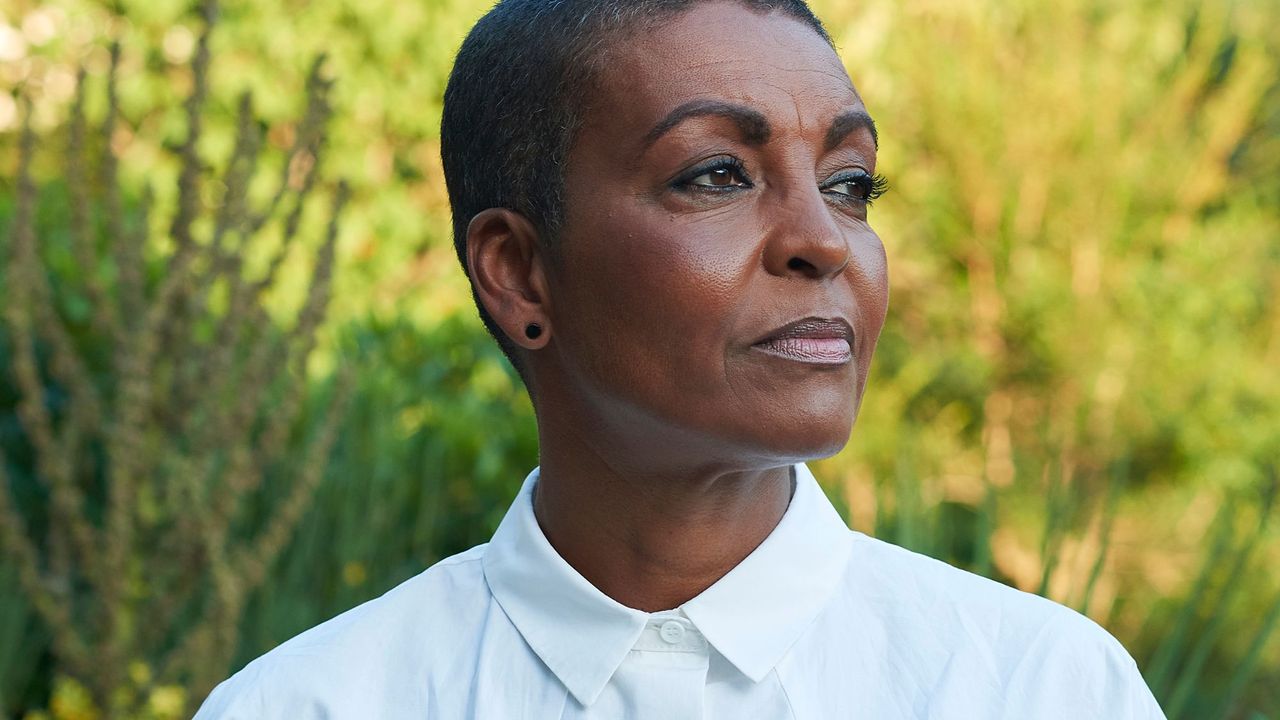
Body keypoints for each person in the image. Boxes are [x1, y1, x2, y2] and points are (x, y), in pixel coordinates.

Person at [195, 0, 1166, 717]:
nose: (820, 240)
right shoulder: (313, 705)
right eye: (715, 174)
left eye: (849, 182)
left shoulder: (1033, 687)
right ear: (520, 273)